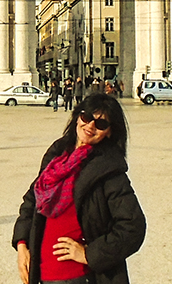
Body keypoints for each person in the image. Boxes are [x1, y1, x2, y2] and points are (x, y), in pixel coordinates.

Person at [13, 93, 145, 284]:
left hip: (80, 277)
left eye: (101, 124)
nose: (90, 126)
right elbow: (31, 201)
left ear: (109, 132)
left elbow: (133, 226)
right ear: (77, 117)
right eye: (86, 117)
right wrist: (22, 243)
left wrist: (89, 254)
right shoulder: (57, 156)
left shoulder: (108, 170)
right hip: (41, 274)